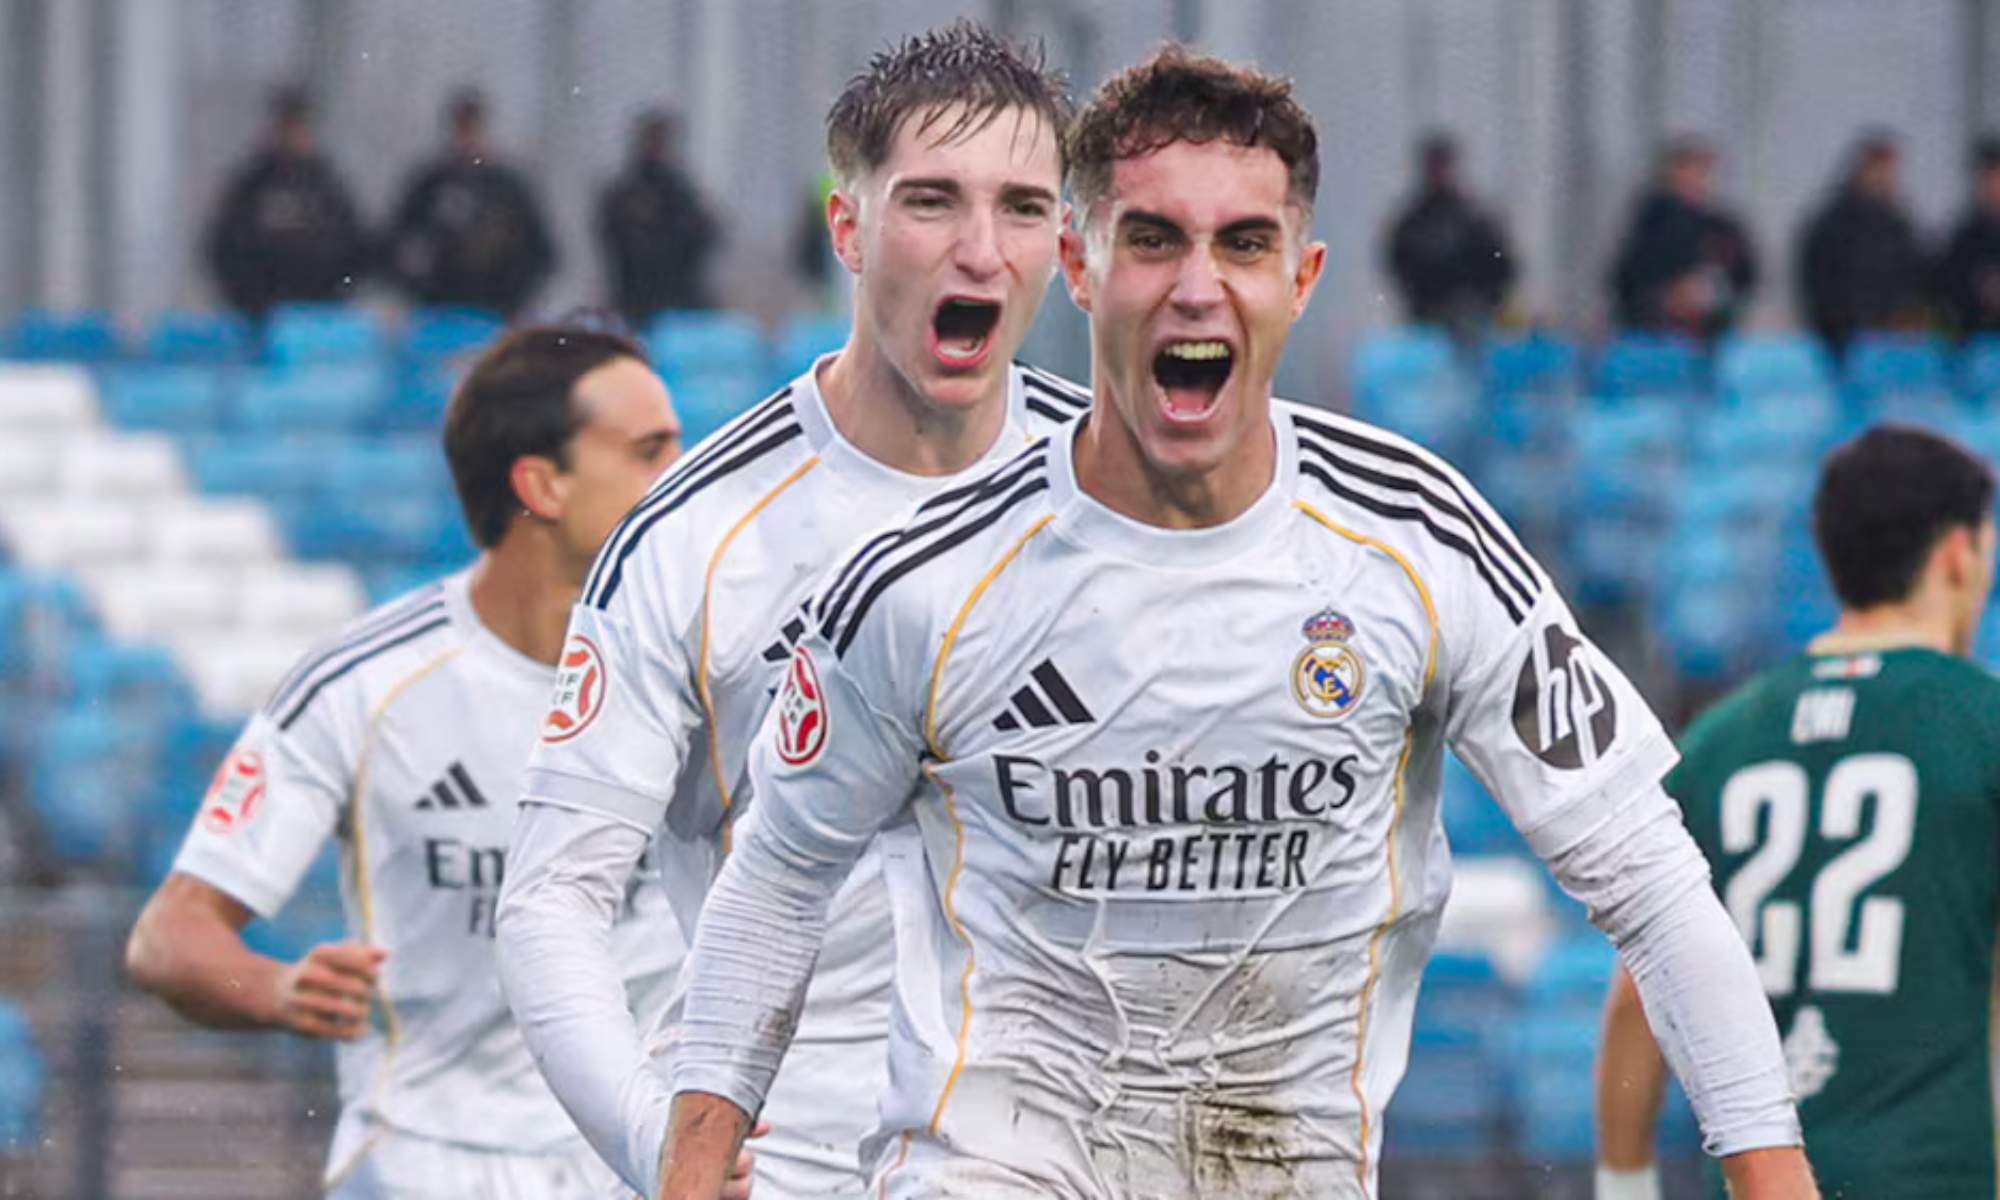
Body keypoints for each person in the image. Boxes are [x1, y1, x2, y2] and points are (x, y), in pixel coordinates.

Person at [658, 44, 1814, 1200]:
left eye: (1244, 244)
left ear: (1300, 278)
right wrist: (692, 1168)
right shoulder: (925, 582)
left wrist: (1774, 1178)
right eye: (1153, 239)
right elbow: (776, 881)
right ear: (1079, 264)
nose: (1197, 286)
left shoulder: (1418, 543)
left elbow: (1650, 885)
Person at [493, 21, 1087, 1199]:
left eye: (1021, 208)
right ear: (847, 229)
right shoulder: (693, 536)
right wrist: (655, 1140)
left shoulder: (1118, 502)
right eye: (931, 202)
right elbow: (550, 898)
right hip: (791, 1167)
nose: (979, 251)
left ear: (1064, 245)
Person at [122, 325, 758, 1199]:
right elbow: (169, 937)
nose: (682, 481)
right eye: (650, 452)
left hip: (635, 1155)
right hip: (422, 1160)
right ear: (542, 484)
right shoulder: (365, 684)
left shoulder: (724, 677)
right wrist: (276, 988)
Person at [1597, 425, 2000, 1200]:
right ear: (1959, 553)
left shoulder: (1717, 742)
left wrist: (1623, 1184)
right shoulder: (1983, 726)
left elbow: (1637, 1000)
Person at [386, 89, 557, 319]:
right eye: (462, 128)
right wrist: (415, 288)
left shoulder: (508, 186)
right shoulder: (430, 183)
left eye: (472, 128)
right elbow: (394, 245)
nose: (466, 138)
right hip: (437, 312)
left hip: (494, 313)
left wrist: (511, 298)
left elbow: (542, 252)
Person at [203, 86, 369, 320]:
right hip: (259, 316)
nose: (294, 136)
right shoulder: (251, 185)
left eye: (300, 127)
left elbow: (358, 250)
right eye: (287, 127)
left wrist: (337, 297)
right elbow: (222, 248)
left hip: (319, 315)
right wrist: (248, 302)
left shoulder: (328, 186)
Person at [1609, 136, 1759, 342]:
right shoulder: (1651, 223)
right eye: (1688, 171)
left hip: (1712, 333)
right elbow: (1627, 281)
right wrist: (1668, 295)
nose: (1697, 180)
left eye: (1703, 172)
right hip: (1656, 333)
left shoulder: (1721, 226)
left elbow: (1746, 277)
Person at [1797, 133, 1928, 353]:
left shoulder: (1899, 224)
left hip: (1893, 338)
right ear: (1862, 170)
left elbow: (1917, 275)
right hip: (1844, 339)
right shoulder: (1833, 222)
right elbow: (1817, 281)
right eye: (1879, 169)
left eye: (1890, 171)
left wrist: (1909, 315)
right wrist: (1839, 328)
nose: (1885, 178)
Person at [596, 109, 722, 328]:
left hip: (677, 304)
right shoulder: (623, 193)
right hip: (635, 304)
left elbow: (704, 237)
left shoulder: (681, 192)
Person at [1382, 132, 1515, 334]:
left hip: (1472, 318)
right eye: (1434, 167)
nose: (1439, 174)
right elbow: (1399, 264)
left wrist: (1483, 297)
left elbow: (1502, 265)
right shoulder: (1413, 224)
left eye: (1442, 166)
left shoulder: (1473, 218)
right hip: (1427, 319)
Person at [1933, 137, 2000, 337]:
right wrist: (1980, 289)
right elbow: (1947, 289)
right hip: (1976, 338)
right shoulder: (1965, 237)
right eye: (1989, 178)